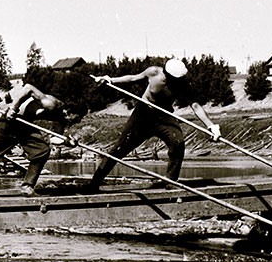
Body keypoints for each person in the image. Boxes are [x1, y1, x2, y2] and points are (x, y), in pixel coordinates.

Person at [89, 58, 221, 192]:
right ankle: (94, 184)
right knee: (119, 149)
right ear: (166, 73)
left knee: (177, 142)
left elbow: (195, 105)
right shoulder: (153, 72)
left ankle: (170, 181)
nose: (176, 82)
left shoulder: (182, 84)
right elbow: (132, 78)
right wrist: (110, 80)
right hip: (143, 114)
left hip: (164, 117)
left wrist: (211, 126)